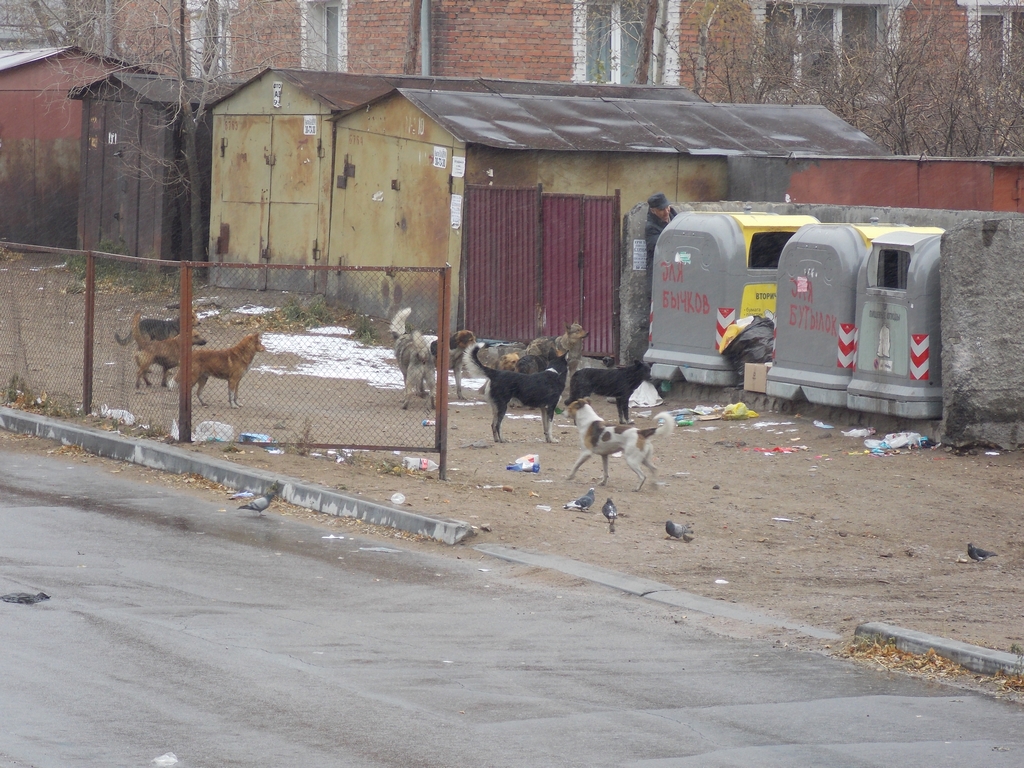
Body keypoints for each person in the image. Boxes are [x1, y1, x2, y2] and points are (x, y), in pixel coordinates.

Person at [644, 192, 675, 291]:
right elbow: (662, 247)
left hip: (676, 275)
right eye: (661, 210)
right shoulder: (651, 228)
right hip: (660, 275)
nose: (666, 212)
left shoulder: (677, 218)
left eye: (667, 207)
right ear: (653, 211)